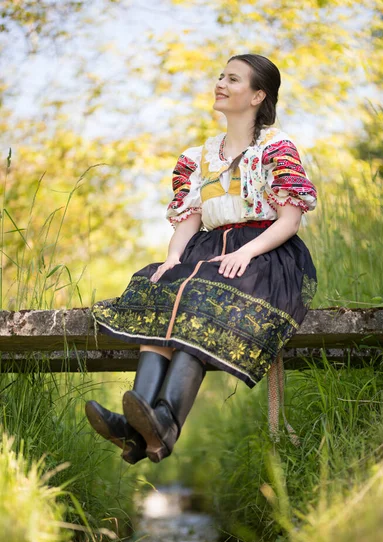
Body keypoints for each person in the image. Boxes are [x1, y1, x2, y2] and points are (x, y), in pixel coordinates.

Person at [85, 53, 317, 464]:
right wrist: (172, 258)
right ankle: (139, 429)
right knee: (162, 290)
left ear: (257, 95)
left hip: (266, 254)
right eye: (221, 76)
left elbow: (290, 219)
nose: (221, 84)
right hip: (208, 250)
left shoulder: (276, 148)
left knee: (201, 302)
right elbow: (189, 219)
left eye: (233, 79)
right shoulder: (198, 157)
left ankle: (163, 425)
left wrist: (246, 251)